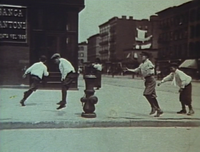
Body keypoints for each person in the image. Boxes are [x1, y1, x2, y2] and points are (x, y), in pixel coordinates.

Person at [125, 52, 163, 117]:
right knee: (152, 96)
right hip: (147, 80)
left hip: (151, 79)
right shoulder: (142, 64)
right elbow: (137, 70)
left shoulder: (149, 62)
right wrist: (128, 70)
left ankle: (157, 109)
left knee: (146, 94)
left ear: (146, 57)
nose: (141, 57)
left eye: (143, 56)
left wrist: (149, 70)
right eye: (141, 56)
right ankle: (156, 109)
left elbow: (152, 67)